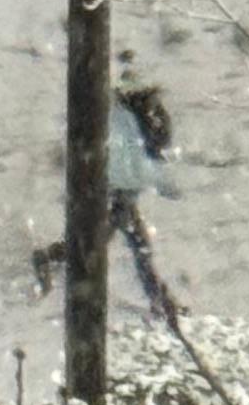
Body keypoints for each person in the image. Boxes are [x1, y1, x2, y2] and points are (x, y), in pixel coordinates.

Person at [29, 68, 180, 325]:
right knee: (120, 244)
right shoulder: (131, 119)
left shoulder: (126, 117)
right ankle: (160, 302)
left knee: (122, 243)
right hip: (116, 190)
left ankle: (160, 301)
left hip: (117, 190)